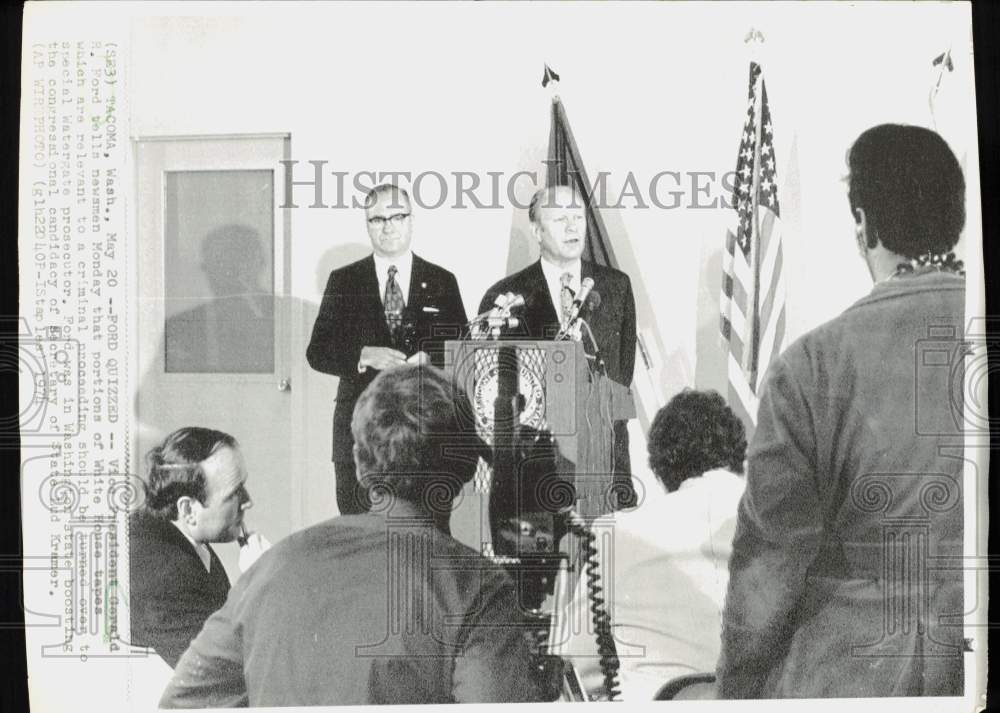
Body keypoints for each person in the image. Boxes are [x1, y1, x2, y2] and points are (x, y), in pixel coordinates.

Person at [717, 124, 967, 698]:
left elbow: (768, 572)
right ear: (954, 215)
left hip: (851, 679)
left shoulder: (811, 366)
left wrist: (735, 695)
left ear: (864, 223)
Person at [160, 365, 548, 707]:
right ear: (465, 470)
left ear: (360, 466)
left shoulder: (267, 570)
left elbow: (181, 704)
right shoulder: (479, 589)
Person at [554, 390, 747, 700]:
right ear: (737, 454)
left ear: (660, 469)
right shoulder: (787, 525)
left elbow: (578, 662)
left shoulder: (615, 533)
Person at [307, 183, 467, 516]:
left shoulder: (442, 280)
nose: (388, 227)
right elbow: (317, 352)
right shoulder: (344, 280)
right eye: (378, 219)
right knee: (359, 526)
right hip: (358, 430)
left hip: (424, 427)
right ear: (367, 224)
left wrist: (430, 359)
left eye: (397, 217)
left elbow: (463, 348)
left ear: (411, 220)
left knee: (425, 526)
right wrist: (363, 355)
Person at [477, 185, 637, 510]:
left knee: (611, 543)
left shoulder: (616, 286)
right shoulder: (505, 295)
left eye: (577, 216)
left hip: (605, 460)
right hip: (535, 469)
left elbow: (622, 371)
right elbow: (493, 385)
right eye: (560, 219)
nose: (572, 226)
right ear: (537, 230)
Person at [129, 427, 268, 668]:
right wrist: (260, 585)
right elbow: (227, 671)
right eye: (234, 494)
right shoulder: (163, 573)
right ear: (188, 510)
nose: (248, 501)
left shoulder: (179, 536)